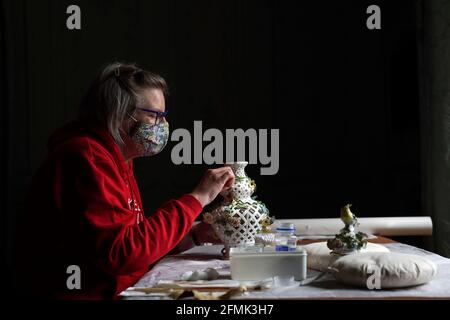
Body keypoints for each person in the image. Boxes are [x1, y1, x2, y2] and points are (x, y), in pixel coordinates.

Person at [16, 62, 235, 299]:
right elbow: (121, 254)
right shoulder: (88, 156)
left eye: (164, 116)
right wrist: (198, 198)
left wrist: (193, 235)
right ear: (119, 114)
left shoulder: (119, 157)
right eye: (154, 115)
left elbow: (135, 244)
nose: (163, 126)